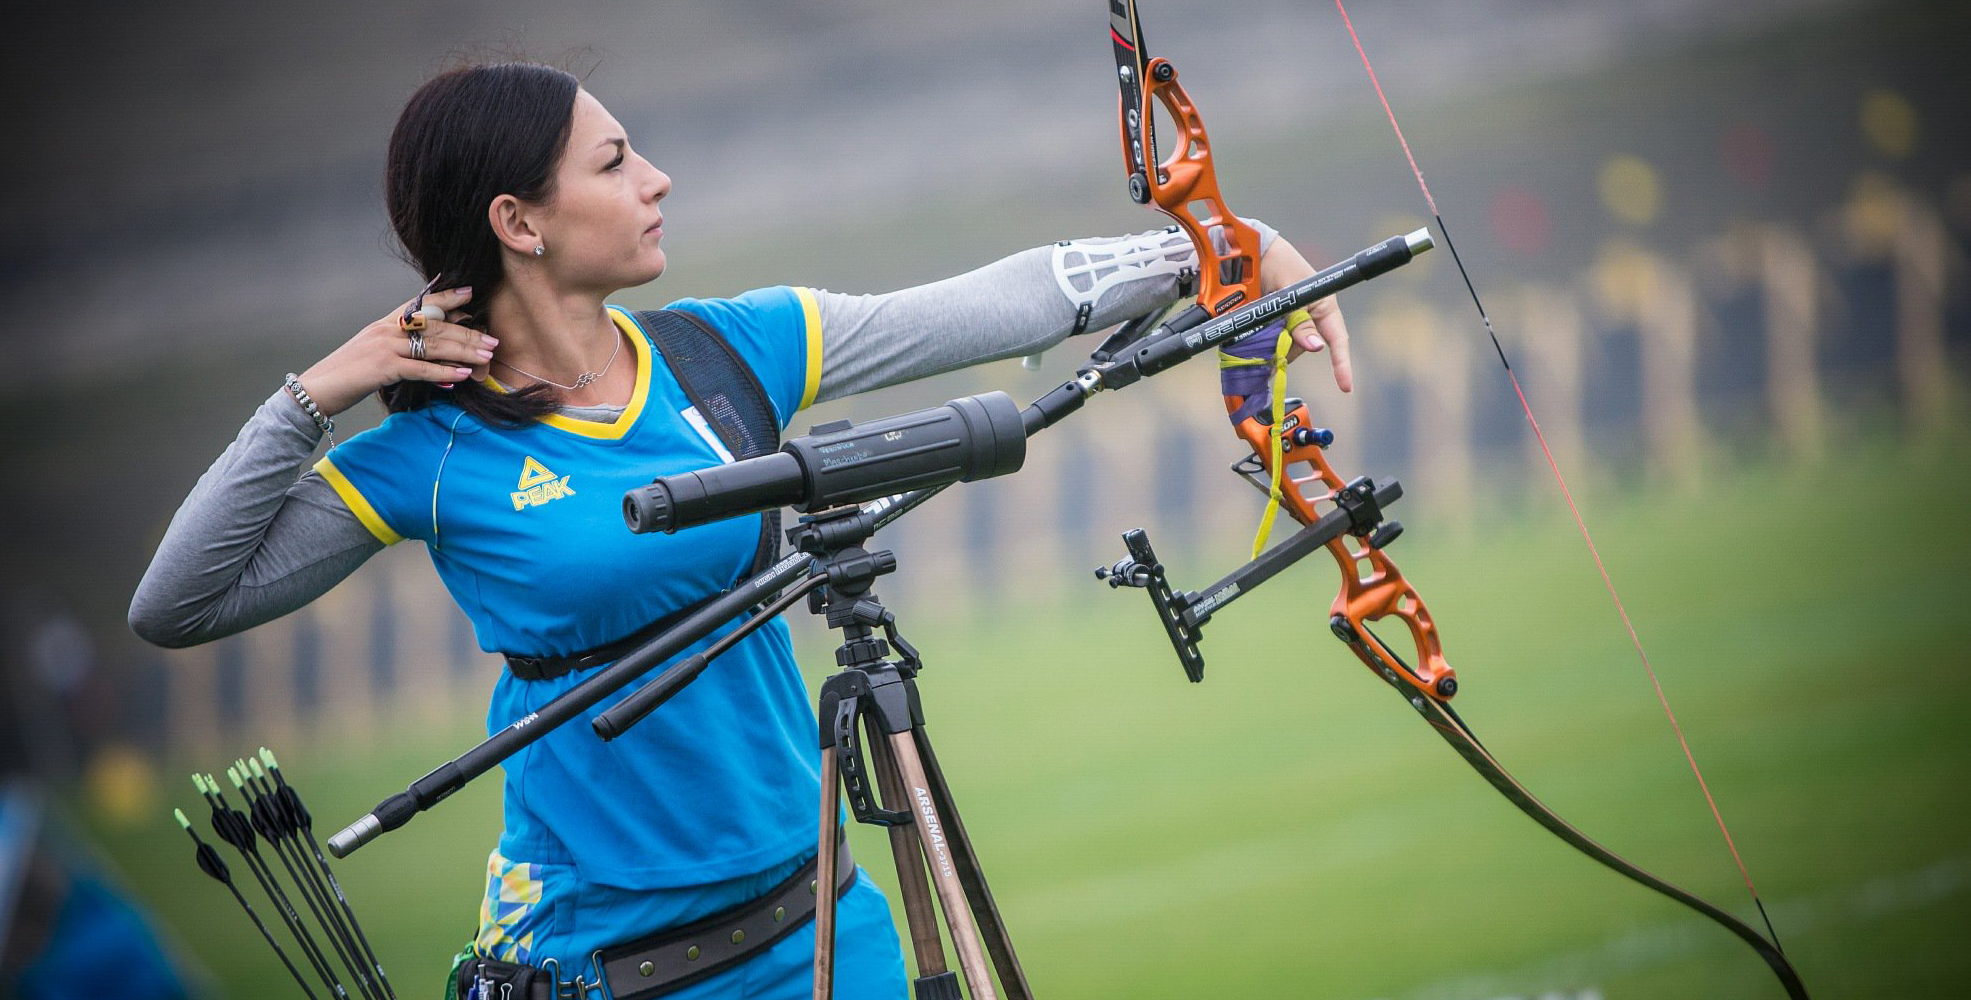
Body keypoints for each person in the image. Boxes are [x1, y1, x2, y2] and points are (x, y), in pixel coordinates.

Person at [128, 61, 1351, 999]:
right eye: (614, 162)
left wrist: (1215, 250)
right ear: (520, 220)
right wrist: (314, 395)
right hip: (613, 957)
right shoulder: (431, 458)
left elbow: (983, 305)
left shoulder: (725, 352)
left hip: (821, 914)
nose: (654, 178)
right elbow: (178, 603)